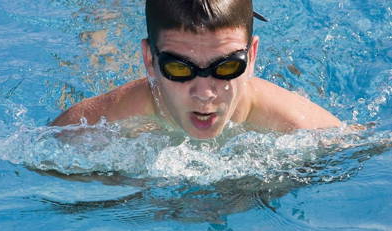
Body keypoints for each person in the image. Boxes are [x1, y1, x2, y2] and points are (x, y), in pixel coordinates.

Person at [51, 0, 342, 140]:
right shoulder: (84, 127)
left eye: (228, 66)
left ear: (252, 57)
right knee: (103, 55)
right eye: (178, 68)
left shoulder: (304, 129)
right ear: (150, 61)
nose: (204, 93)